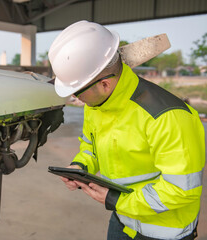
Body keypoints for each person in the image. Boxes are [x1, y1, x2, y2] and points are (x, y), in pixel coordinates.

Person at [48, 20, 205, 240]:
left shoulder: (168, 117)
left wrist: (116, 200)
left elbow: (181, 190)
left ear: (104, 84)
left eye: (78, 92)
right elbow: (90, 146)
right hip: (123, 220)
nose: (76, 98)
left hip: (163, 233)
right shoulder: (97, 105)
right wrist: (80, 166)